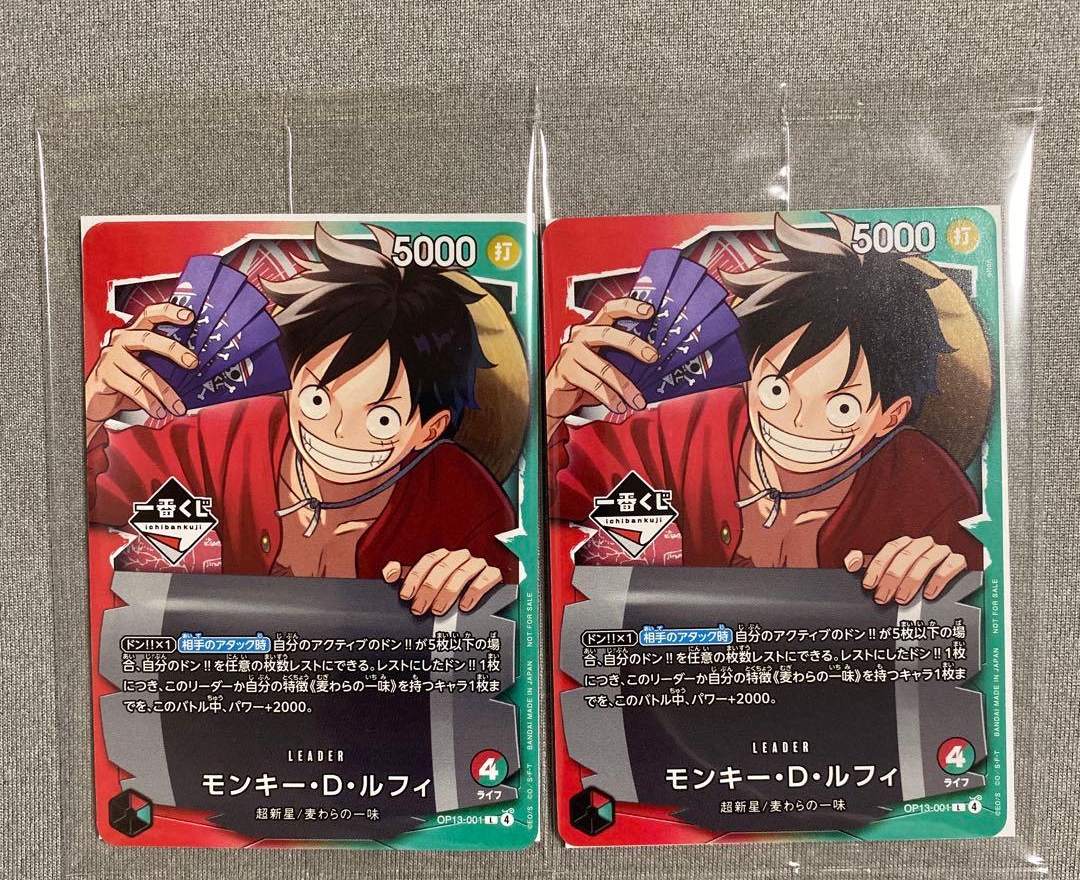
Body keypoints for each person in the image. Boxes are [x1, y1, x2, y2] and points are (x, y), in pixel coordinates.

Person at [546, 213, 982, 606]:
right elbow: (554, 495)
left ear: (890, 415)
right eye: (776, 389)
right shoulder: (688, 430)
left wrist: (947, 571)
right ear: (749, 372)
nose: (795, 421)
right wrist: (550, 408)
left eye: (842, 407)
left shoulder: (925, 489)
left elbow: (975, 596)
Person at [86, 225, 517, 617]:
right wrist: (90, 410)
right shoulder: (231, 437)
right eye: (316, 399)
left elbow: (513, 615)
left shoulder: (464, 501)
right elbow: (94, 494)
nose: (336, 431)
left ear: (429, 429)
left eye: (382, 420)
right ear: (290, 383)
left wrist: (482, 585)